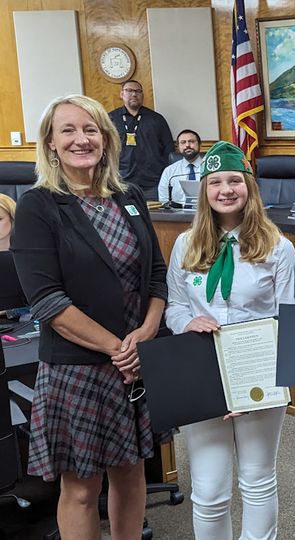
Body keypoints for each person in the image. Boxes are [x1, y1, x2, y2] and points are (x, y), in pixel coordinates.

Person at [11, 94, 167, 538]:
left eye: (91, 129)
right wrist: (119, 349)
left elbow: (156, 274)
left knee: (131, 472)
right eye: (69, 130)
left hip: (135, 364)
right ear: (50, 142)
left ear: (106, 138)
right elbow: (48, 301)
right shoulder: (39, 206)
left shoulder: (129, 196)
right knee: (81, 488)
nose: (82, 139)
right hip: (78, 370)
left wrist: (148, 331)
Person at [164, 141, 294, 540]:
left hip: (258, 375)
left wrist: (247, 383)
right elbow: (173, 306)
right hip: (202, 373)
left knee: (257, 480)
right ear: (204, 189)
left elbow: (288, 319)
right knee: (208, 491)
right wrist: (189, 322)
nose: (225, 190)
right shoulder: (186, 244)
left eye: (234, 180)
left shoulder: (278, 247)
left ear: (249, 186)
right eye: (215, 182)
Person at [108, 79, 174, 200]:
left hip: (153, 183)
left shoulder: (157, 119)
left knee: (154, 212)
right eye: (129, 90)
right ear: (122, 94)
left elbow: (169, 150)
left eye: (138, 91)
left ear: (142, 95)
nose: (134, 94)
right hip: (121, 182)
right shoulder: (110, 119)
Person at [158, 129, 203, 206]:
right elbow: (163, 200)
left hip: (206, 210)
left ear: (200, 145)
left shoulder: (210, 167)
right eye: (183, 142)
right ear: (178, 147)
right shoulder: (169, 171)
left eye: (191, 141)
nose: (187, 145)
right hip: (178, 212)